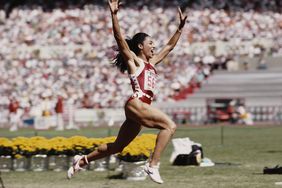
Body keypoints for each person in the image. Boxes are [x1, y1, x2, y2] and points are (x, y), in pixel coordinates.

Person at [67, 0, 187, 184]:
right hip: (136, 103)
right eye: (151, 43)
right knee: (169, 126)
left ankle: (82, 160)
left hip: (139, 109)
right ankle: (153, 165)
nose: (154, 47)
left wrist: (180, 28)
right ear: (140, 46)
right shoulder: (135, 62)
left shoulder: (152, 63)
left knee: (117, 146)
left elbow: (169, 47)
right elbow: (119, 39)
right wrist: (114, 15)